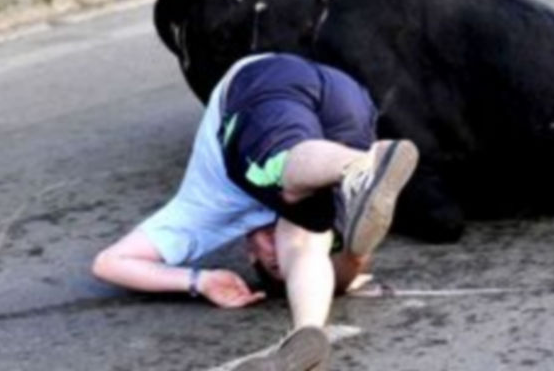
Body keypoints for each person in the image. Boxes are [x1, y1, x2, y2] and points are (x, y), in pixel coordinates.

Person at [92, 52, 419, 371]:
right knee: (307, 235)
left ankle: (360, 166)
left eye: (272, 261)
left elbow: (109, 263)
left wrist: (200, 281)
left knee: (282, 180)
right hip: (346, 102)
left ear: (250, 253)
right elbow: (328, 261)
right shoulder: (305, 212)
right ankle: (307, 334)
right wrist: (354, 257)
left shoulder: (206, 211)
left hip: (262, 82)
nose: (278, 248)